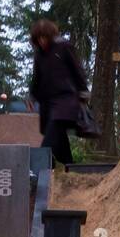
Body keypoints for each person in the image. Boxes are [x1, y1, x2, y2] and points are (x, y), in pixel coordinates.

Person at [28, 19, 89, 165]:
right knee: (59, 139)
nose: (42, 41)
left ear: (50, 36)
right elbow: (37, 77)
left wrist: (83, 91)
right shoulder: (39, 54)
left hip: (65, 101)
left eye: (45, 37)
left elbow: (77, 70)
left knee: (49, 140)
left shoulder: (64, 47)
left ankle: (37, 168)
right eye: (39, 38)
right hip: (48, 104)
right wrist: (32, 96)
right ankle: (70, 167)